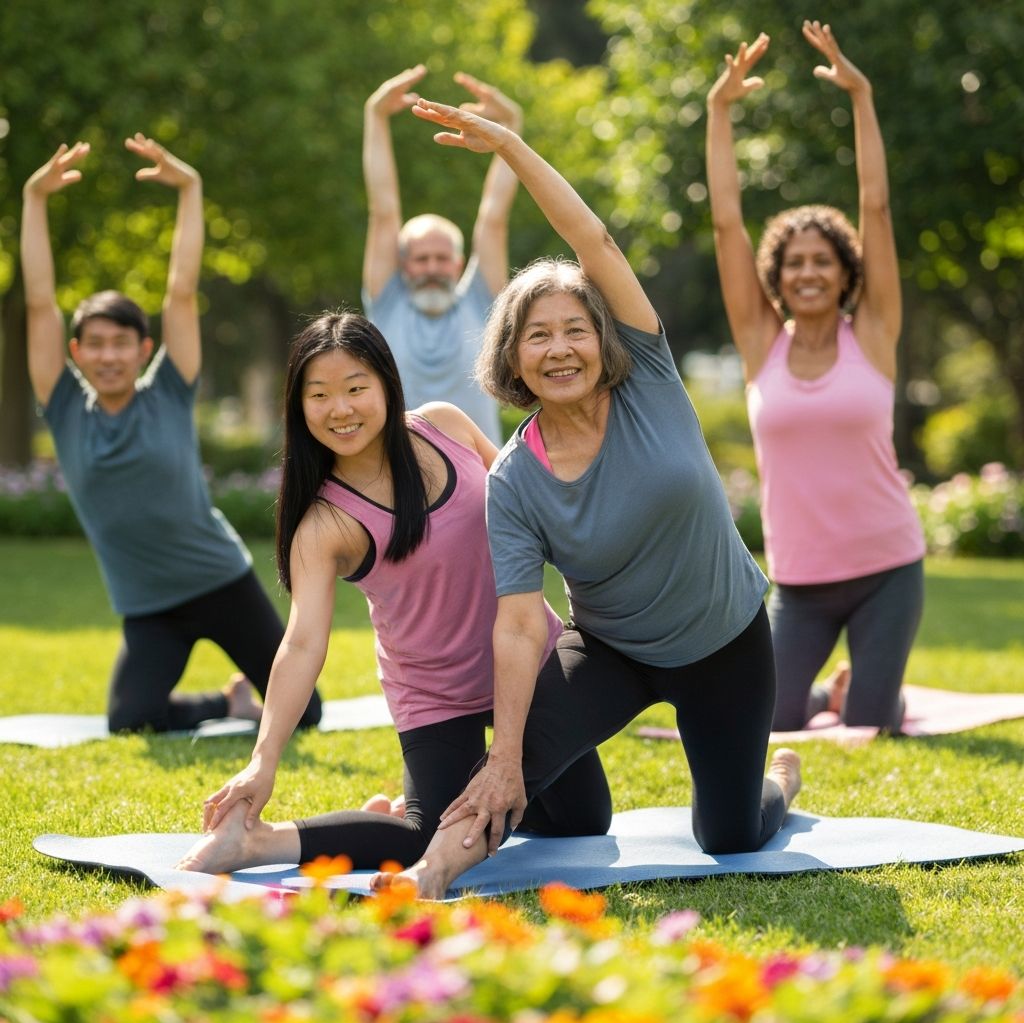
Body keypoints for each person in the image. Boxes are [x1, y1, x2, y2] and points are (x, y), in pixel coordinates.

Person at [372, 96, 803, 901]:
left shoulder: (649, 380)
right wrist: (506, 755)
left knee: (731, 835)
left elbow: (592, 241)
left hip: (724, 641)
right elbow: (517, 622)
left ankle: (779, 782)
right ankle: (433, 870)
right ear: (513, 359)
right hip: (612, 652)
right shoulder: (514, 477)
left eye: (575, 329)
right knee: (507, 774)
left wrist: (511, 147)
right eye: (537, 335)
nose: (560, 348)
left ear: (604, 339)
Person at [176, 312, 611, 874]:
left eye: (356, 388)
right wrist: (263, 760)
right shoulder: (324, 524)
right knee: (424, 835)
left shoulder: (445, 426)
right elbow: (302, 643)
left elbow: (530, 500)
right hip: (435, 690)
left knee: (584, 819)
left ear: (386, 383)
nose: (341, 409)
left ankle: (434, 801)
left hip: (527, 659)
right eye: (320, 395)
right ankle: (257, 842)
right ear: (299, 406)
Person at [21, 136, 322, 734]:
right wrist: (33, 199)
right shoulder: (64, 406)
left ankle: (250, 699)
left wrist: (190, 189)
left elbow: (181, 290)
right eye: (95, 344)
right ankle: (225, 704)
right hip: (149, 607)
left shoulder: (168, 391)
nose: (109, 356)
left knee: (303, 714)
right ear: (76, 352)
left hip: (221, 581)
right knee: (130, 721)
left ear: (144, 349)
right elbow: (38, 304)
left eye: (121, 343)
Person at [705, 22, 925, 733]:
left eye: (822, 260)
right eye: (794, 262)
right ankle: (835, 690)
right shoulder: (760, 342)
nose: (807, 272)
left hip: (888, 568)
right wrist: (718, 112)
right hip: (800, 582)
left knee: (869, 727)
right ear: (777, 274)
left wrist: (861, 98)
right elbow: (727, 225)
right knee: (772, 724)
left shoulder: (876, 335)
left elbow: (875, 207)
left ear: (845, 271)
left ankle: (867, 691)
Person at [362, 65, 523, 446]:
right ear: (403, 264)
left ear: (458, 263)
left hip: (479, 476)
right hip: (401, 476)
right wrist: (375, 115)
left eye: (441, 258)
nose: (432, 268)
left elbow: (494, 217)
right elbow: (383, 210)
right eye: (421, 259)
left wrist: (511, 125)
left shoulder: (480, 301)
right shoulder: (387, 302)